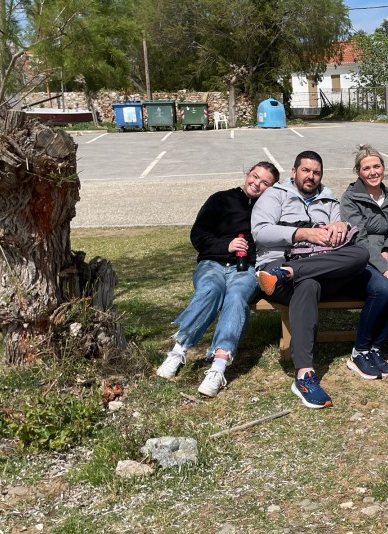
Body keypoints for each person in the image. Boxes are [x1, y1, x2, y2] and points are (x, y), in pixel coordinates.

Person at [252, 151, 370, 409]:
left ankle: (291, 272)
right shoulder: (275, 195)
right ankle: (304, 375)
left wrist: (340, 227)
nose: (311, 176)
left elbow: (340, 229)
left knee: (360, 254)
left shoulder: (329, 198)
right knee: (308, 285)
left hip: (316, 266)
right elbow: (260, 232)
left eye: (316, 172)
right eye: (306, 170)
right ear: (294, 172)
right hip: (276, 264)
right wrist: (303, 233)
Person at [156, 161, 280, 397]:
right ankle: (178, 351)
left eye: (265, 183)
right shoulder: (221, 199)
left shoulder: (269, 210)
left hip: (245, 268)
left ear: (272, 188)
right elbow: (198, 235)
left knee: (236, 296)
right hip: (212, 263)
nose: (257, 184)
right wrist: (227, 245)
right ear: (247, 174)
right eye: (255, 176)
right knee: (211, 289)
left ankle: (218, 366)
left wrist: (251, 254)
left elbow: (272, 243)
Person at [339, 145, 388, 379]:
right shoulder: (350, 198)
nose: (372, 172)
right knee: (382, 289)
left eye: (376, 166)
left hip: (385, 258)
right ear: (358, 172)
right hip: (360, 259)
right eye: (366, 168)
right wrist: (383, 267)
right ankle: (359, 351)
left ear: (383, 167)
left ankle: (376, 346)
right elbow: (358, 238)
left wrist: (387, 252)